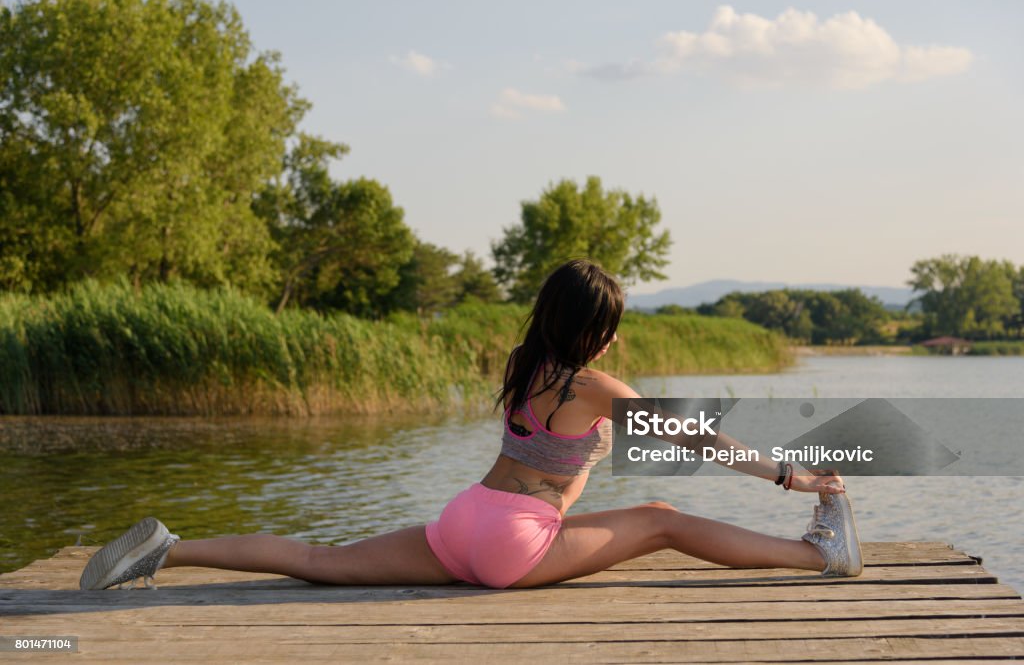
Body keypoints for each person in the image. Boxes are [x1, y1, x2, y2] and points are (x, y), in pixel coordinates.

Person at [79, 259, 861, 592]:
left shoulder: (525, 363)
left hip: (463, 521)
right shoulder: (592, 383)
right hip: (515, 540)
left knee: (320, 556)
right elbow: (701, 441)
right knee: (660, 518)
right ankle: (817, 552)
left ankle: (169, 550)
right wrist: (792, 476)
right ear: (598, 327)